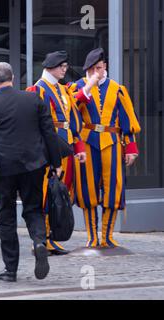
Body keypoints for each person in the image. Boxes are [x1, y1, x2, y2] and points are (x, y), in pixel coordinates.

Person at [0, 62, 62, 282]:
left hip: (4, 168)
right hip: (33, 165)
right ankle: (39, 242)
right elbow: (49, 133)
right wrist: (56, 162)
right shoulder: (33, 99)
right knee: (34, 209)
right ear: (12, 77)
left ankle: (10, 270)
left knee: (7, 215)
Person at [68, 48, 141, 248]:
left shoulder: (117, 88)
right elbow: (71, 108)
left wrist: (131, 148)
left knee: (113, 188)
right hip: (87, 141)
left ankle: (107, 236)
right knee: (87, 188)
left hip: (112, 141)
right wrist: (88, 86)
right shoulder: (78, 87)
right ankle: (92, 237)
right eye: (92, 69)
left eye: (99, 68)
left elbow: (127, 120)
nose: (97, 73)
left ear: (105, 66)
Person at [26, 51, 87, 255]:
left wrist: (77, 147)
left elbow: (73, 121)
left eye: (65, 65)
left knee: (59, 193)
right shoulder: (38, 89)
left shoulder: (62, 89)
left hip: (64, 146)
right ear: (51, 66)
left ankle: (50, 238)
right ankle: (40, 241)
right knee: (45, 193)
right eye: (61, 65)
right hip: (47, 149)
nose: (65, 69)